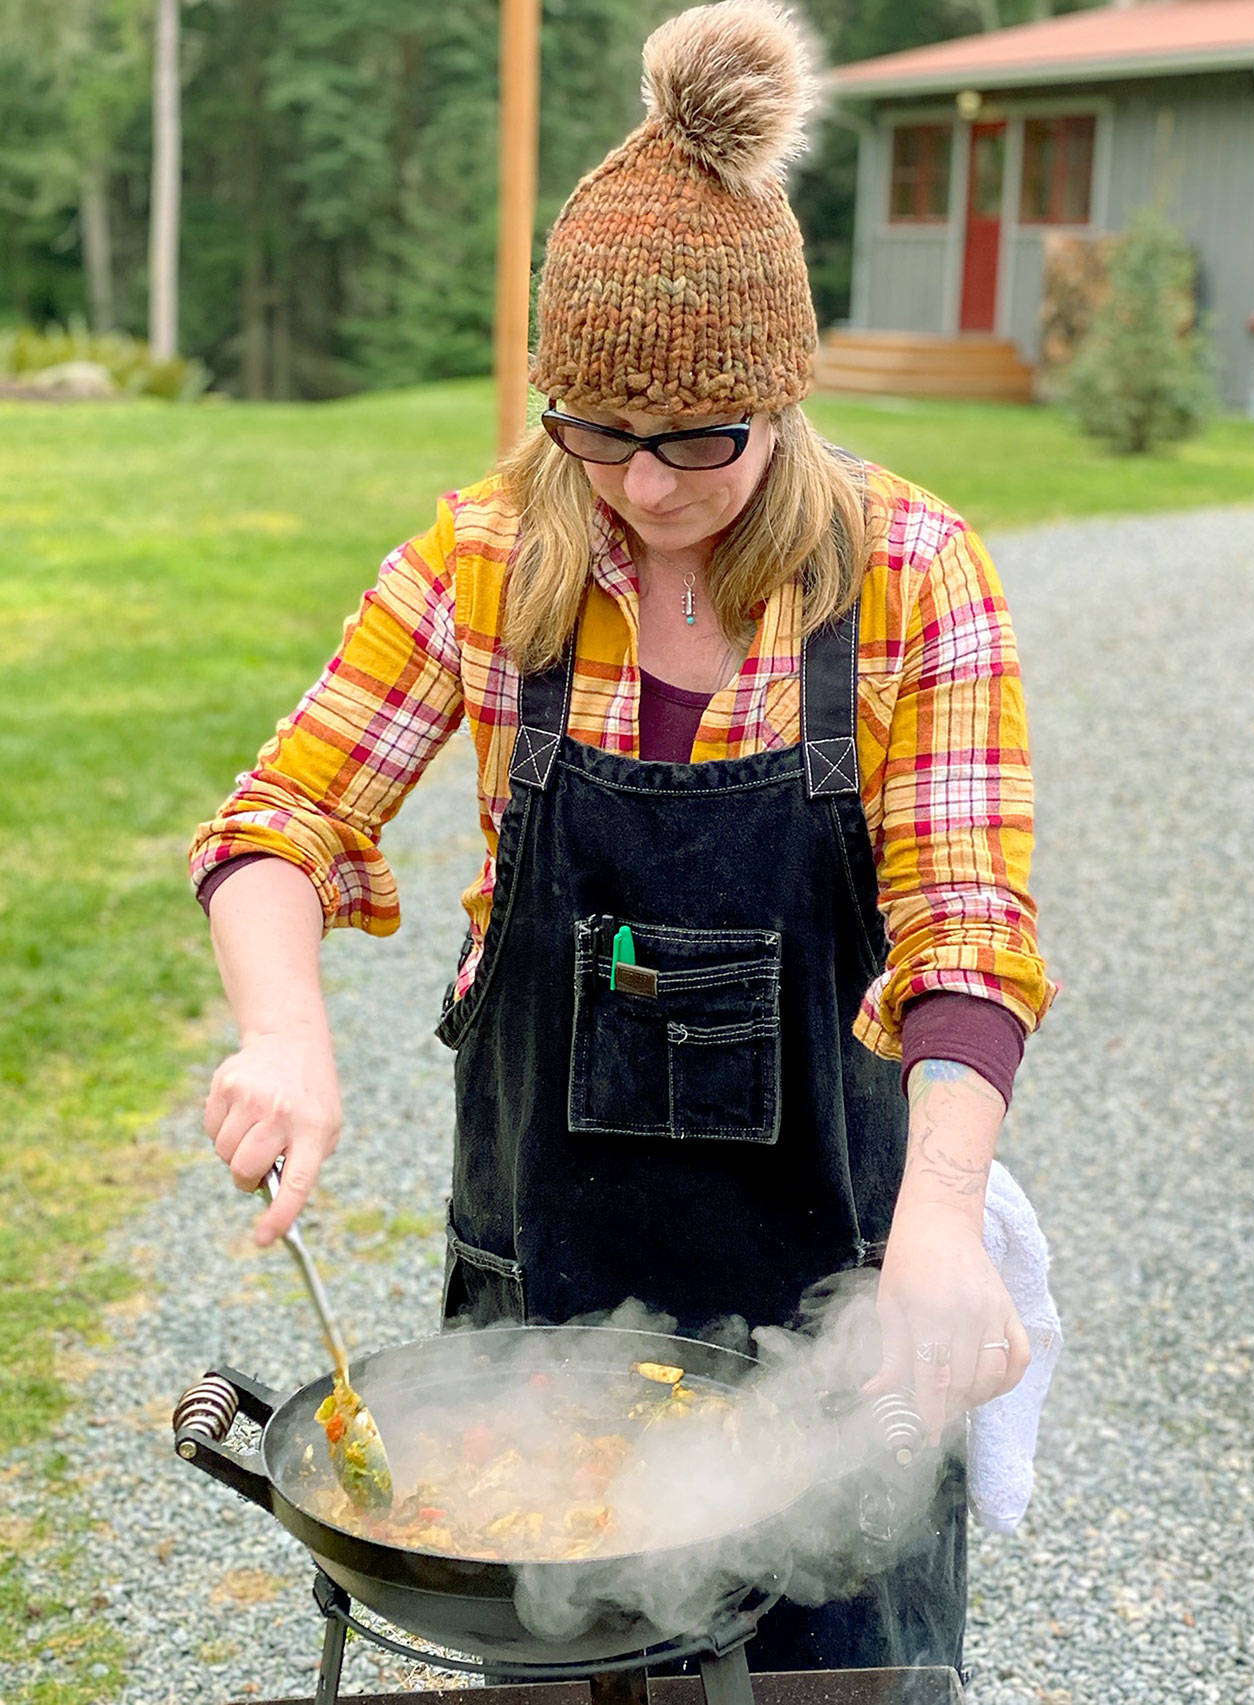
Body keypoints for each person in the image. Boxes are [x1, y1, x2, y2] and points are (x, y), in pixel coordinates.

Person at [190, 0, 1054, 1677]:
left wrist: (945, 1222)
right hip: (539, 1314)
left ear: (781, 398)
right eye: (595, 430)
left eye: (698, 441)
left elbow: (968, 929)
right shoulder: (483, 557)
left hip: (835, 1312)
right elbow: (281, 816)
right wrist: (286, 1031)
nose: (645, 489)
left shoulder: (908, 575)